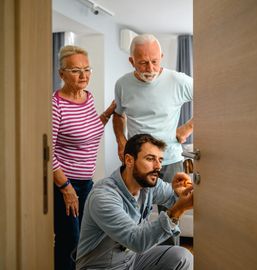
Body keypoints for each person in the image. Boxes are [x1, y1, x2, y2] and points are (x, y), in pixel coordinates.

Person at [113, 34, 194, 244]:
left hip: (170, 161)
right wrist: (121, 140)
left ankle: (170, 260)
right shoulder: (122, 84)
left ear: (162, 57)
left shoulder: (178, 80)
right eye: (142, 63)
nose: (150, 68)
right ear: (131, 61)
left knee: (171, 217)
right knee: (134, 219)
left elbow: (212, 98)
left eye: (155, 61)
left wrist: (188, 127)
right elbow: (118, 114)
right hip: (137, 163)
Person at [76, 134, 194, 270]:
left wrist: (179, 193)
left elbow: (175, 199)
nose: (158, 166)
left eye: (160, 160)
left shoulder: (149, 184)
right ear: (129, 160)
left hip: (132, 259)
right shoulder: (103, 197)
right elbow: (136, 241)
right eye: (150, 159)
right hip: (102, 266)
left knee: (182, 257)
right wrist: (177, 211)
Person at [52, 45, 116, 270]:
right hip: (65, 185)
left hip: (86, 182)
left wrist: (108, 113)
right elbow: (46, 153)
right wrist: (66, 187)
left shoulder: (88, 98)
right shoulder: (56, 104)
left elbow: (91, 130)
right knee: (69, 241)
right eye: (76, 70)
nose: (83, 75)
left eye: (87, 69)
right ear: (61, 74)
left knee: (85, 240)